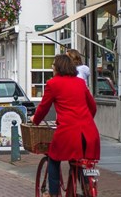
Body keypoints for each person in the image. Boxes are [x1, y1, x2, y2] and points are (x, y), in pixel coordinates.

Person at [31, 54, 100, 197]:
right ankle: (88, 189)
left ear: (58, 67)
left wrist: (35, 120)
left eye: (53, 65)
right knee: (81, 160)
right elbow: (92, 107)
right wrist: (85, 121)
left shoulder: (53, 84)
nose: (52, 68)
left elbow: (43, 108)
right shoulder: (80, 82)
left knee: (53, 158)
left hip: (67, 133)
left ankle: (53, 194)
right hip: (89, 133)